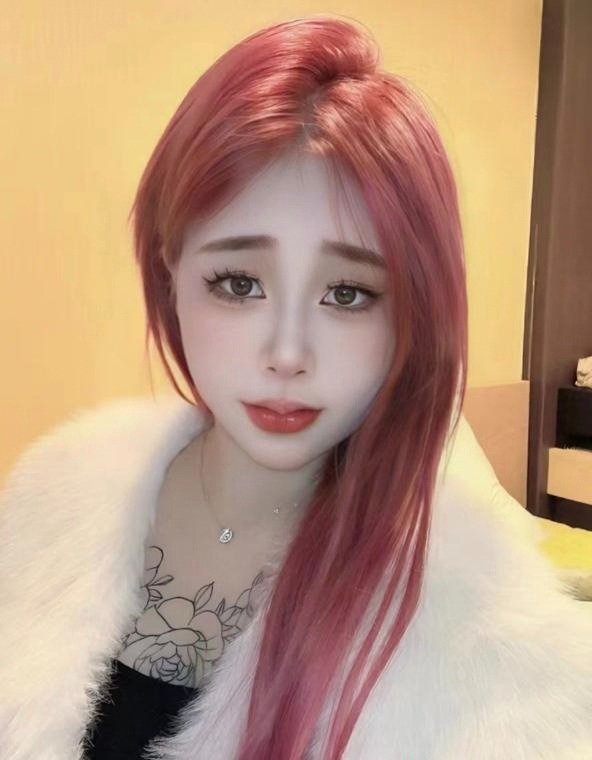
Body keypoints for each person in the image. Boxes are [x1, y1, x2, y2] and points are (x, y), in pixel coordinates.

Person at [1, 14, 591, 760]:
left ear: (412, 312)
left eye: (347, 294)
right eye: (238, 282)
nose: (286, 354)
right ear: (170, 272)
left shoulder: (481, 646)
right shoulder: (50, 504)